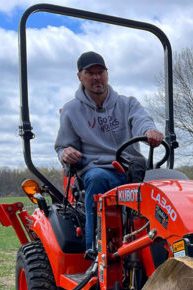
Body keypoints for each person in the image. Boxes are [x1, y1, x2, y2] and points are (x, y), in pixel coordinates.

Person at [55, 51, 164, 255]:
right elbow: (63, 146)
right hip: (97, 169)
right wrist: (65, 153)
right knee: (98, 178)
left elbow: (141, 120)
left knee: (167, 184)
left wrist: (149, 131)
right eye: (90, 73)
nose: (97, 77)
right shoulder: (71, 110)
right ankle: (96, 251)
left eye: (101, 72)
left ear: (107, 74)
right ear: (80, 76)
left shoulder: (127, 103)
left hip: (131, 168)